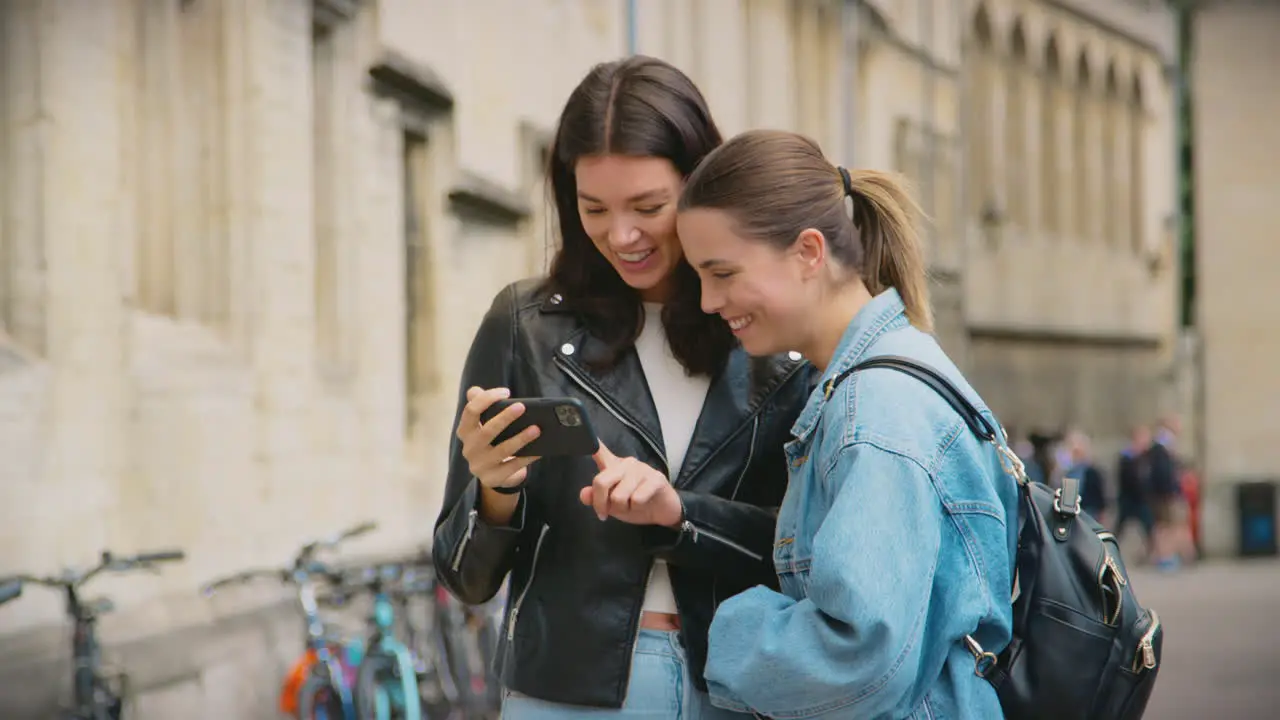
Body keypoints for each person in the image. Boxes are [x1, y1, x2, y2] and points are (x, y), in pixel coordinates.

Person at [431, 58, 813, 718]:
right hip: (568, 694)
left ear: (701, 185)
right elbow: (465, 577)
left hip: (744, 683)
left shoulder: (772, 334)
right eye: (594, 209)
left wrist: (682, 514)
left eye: (648, 206)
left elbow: (810, 549)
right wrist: (495, 491)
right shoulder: (526, 326)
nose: (622, 235)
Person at [675, 129, 1019, 719]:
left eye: (723, 273)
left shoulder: (876, 409)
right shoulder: (882, 378)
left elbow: (861, 655)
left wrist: (722, 634)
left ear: (809, 252)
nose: (707, 300)